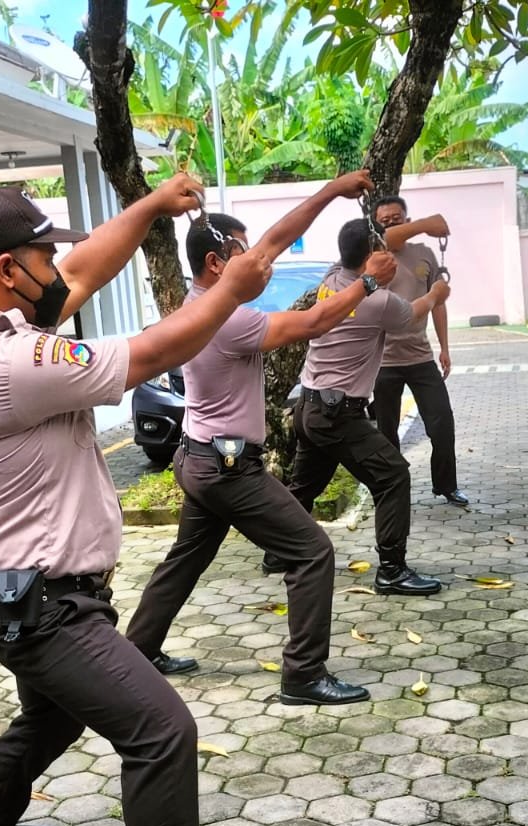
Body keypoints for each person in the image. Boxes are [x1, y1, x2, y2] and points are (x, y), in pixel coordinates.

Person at [0, 179, 273, 826]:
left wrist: (152, 207)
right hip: (44, 611)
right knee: (160, 729)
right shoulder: (8, 360)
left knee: (53, 718)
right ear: (8, 269)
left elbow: (83, 270)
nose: (58, 267)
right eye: (42, 254)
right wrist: (229, 292)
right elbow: (155, 351)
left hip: (36, 598)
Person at [125, 172, 402, 706]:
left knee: (186, 558)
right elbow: (314, 322)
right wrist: (367, 283)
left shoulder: (199, 304)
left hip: (199, 458)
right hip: (228, 468)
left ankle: (140, 650)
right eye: (242, 252)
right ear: (216, 263)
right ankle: (303, 676)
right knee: (312, 553)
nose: (257, 258)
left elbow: (276, 238)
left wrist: (331, 191)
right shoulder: (227, 322)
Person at [281, 219, 450, 597]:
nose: (390, 257)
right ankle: (392, 570)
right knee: (393, 477)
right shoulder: (378, 302)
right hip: (337, 414)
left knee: (305, 486)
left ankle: (278, 552)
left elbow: (370, 253)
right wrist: (437, 292)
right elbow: (414, 313)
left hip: (309, 408)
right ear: (372, 257)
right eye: (382, 252)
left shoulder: (331, 278)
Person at [370, 195, 468, 507]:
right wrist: (426, 224)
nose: (391, 224)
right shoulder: (374, 255)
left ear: (406, 219)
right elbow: (390, 237)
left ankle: (447, 485)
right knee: (386, 432)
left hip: (420, 357)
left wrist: (445, 347)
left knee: (442, 423)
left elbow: (438, 302)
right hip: (383, 361)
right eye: (384, 221)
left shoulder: (424, 253)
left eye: (396, 218)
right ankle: (389, 490)